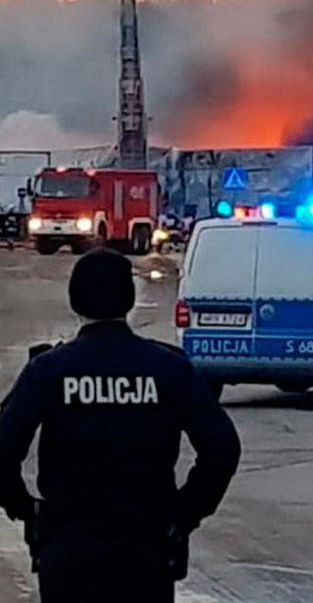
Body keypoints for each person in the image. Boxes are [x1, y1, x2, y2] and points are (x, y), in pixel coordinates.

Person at [0, 249, 240, 602]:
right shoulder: (169, 369)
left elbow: (3, 448)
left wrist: (27, 510)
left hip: (69, 547)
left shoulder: (49, 369)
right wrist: (184, 513)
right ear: (129, 298)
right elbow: (221, 448)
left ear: (75, 298)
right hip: (147, 544)